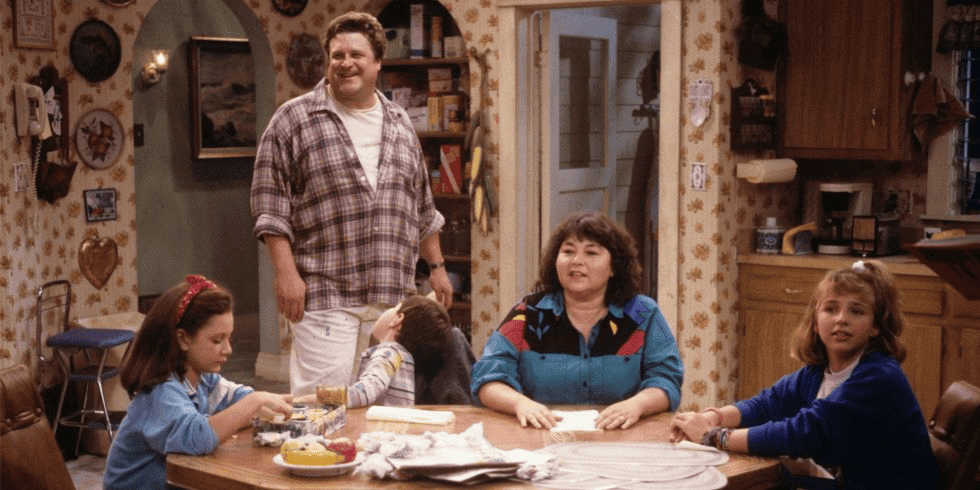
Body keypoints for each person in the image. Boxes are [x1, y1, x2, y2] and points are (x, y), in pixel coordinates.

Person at [250, 11, 453, 397]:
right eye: (337, 55)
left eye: (356, 55)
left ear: (377, 62)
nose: (345, 64)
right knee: (321, 405)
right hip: (326, 293)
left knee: (384, 407)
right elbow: (269, 207)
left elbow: (422, 206)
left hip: (391, 294)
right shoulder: (292, 120)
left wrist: (438, 268)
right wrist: (286, 274)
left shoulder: (399, 121)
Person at [669, 260, 940, 490]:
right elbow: (767, 404)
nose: (841, 319)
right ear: (815, 319)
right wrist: (709, 417)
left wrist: (714, 437)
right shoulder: (817, 372)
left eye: (856, 311)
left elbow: (802, 432)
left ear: (875, 327)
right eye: (831, 309)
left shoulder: (879, 377)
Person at [471, 211, 683, 429]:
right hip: (544, 438)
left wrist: (636, 405)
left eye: (591, 253)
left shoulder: (642, 314)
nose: (577, 261)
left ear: (614, 267)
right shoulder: (528, 313)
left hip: (622, 439)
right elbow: (487, 378)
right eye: (568, 251)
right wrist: (520, 403)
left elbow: (667, 380)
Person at [103, 275, 293, 490]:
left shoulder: (205, 380)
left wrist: (301, 401)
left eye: (229, 338)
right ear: (183, 339)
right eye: (216, 340)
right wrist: (256, 402)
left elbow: (241, 399)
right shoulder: (160, 391)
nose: (228, 349)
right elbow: (197, 436)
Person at [343, 294, 453, 407]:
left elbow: (363, 393)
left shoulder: (389, 354)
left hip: (380, 424)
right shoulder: (405, 359)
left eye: (394, 308)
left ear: (398, 321)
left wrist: (327, 396)